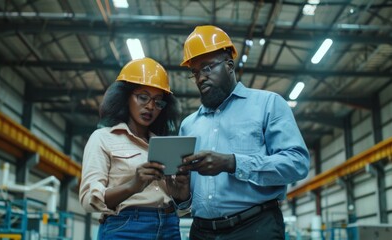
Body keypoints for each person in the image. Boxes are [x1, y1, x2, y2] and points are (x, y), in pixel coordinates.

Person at [175, 25, 311, 240]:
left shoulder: (268, 104)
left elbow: (297, 164)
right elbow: (187, 197)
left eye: (208, 68)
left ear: (229, 65)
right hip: (201, 232)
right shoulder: (189, 125)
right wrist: (181, 195)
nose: (201, 78)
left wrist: (233, 163)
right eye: (195, 72)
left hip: (254, 228)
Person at [79, 57, 186, 240]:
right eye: (143, 97)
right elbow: (89, 199)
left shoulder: (164, 145)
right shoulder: (103, 138)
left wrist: (180, 194)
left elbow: (177, 198)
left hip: (169, 225)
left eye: (158, 102)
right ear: (125, 97)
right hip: (126, 228)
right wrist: (132, 185)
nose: (150, 106)